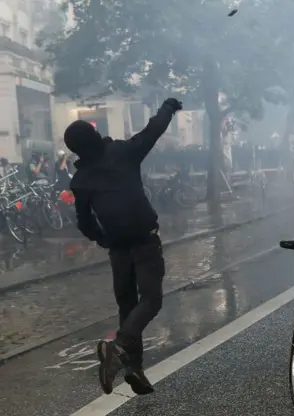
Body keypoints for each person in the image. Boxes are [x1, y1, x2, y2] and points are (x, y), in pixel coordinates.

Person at [63, 97, 183, 396]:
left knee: (129, 307)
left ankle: (134, 369)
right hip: (144, 239)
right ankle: (119, 350)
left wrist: (102, 239)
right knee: (151, 300)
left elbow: (84, 221)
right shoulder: (122, 152)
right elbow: (152, 131)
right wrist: (168, 107)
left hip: (118, 249)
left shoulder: (81, 180)